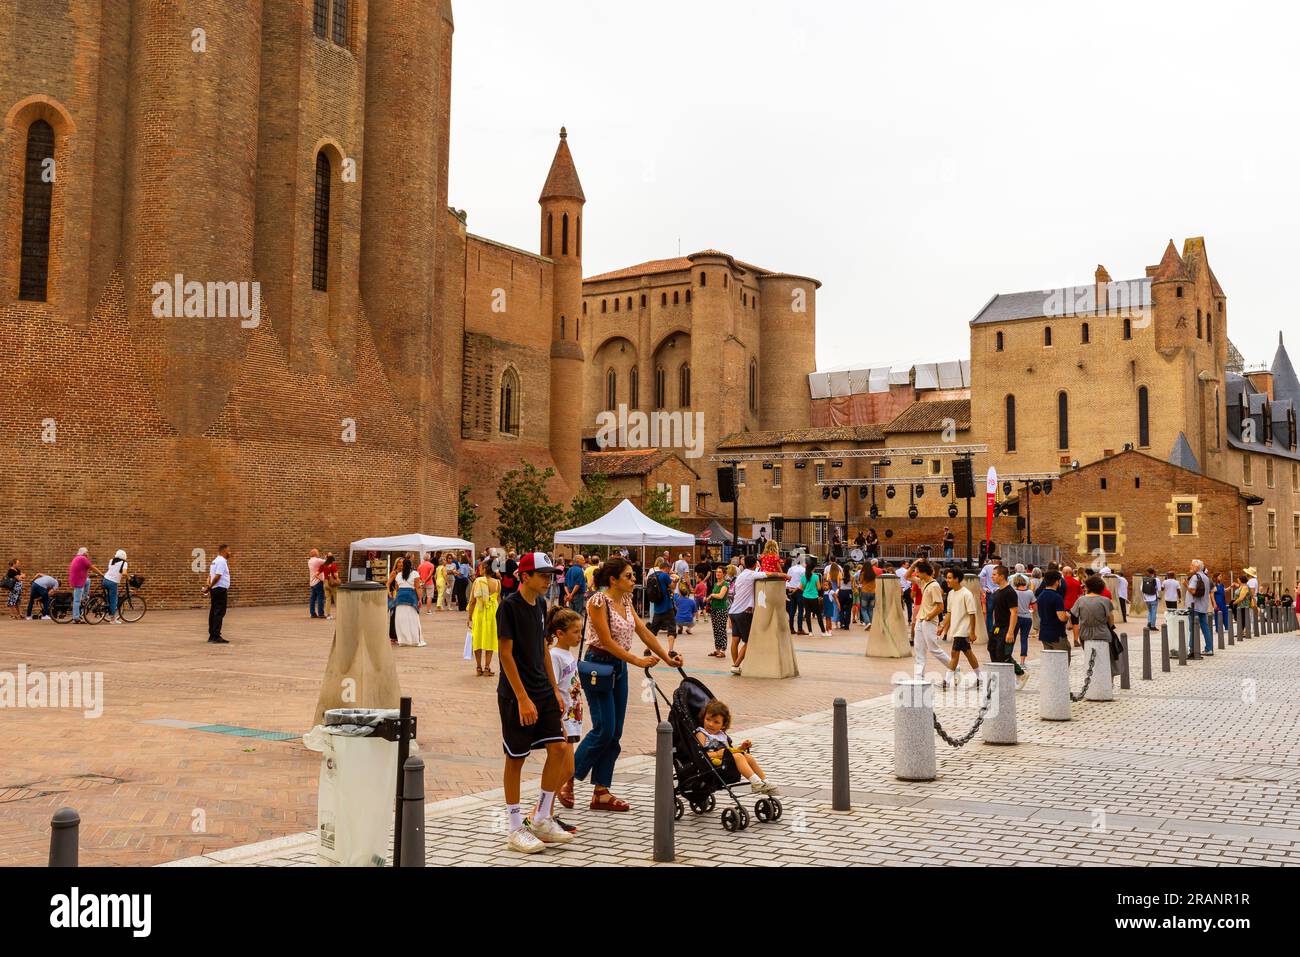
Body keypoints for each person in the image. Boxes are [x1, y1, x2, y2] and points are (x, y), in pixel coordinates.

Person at [573, 556, 682, 812]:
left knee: (615, 732)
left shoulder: (625, 599)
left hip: (618, 668)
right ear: (614, 580)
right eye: (629, 576)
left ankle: (601, 791)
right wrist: (636, 660)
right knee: (604, 729)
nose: (635, 580)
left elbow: (643, 631)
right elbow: (607, 640)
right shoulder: (598, 601)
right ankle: (566, 776)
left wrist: (668, 657)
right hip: (598, 666)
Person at [495, 552, 573, 854]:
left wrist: (553, 689)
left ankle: (541, 817)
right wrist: (522, 697)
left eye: (550, 575)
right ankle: (514, 827)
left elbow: (542, 647)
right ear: (524, 577)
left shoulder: (542, 604)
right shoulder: (509, 607)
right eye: (542, 575)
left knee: (559, 748)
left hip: (542, 690)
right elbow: (505, 654)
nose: (548, 580)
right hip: (517, 694)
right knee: (516, 758)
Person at [545, 605, 584, 831]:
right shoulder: (554, 656)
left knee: (566, 770)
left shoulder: (566, 654)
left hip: (572, 718)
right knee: (567, 770)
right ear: (560, 633)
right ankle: (539, 812)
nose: (580, 636)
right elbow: (554, 689)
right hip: (563, 721)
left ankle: (545, 813)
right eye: (575, 632)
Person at [695, 699, 778, 794]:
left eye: (716, 722)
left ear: (723, 725)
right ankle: (755, 783)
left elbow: (730, 751)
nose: (710, 724)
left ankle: (764, 782)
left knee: (747, 756)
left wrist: (741, 748)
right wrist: (717, 753)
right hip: (711, 763)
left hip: (725, 761)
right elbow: (699, 755)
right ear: (703, 718)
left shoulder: (721, 735)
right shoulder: (702, 734)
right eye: (708, 719)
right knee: (738, 756)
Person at [938, 567, 981, 690]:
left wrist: (972, 632)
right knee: (968, 653)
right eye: (947, 577)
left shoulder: (966, 594)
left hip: (963, 631)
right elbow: (949, 613)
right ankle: (980, 678)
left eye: (950, 578)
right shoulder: (951, 594)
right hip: (956, 629)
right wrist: (942, 626)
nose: (947, 580)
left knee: (954, 654)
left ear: (957, 579)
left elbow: (972, 614)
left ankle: (946, 682)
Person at [912, 561, 954, 679]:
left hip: (928, 620)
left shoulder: (934, 586)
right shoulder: (923, 582)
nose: (916, 575)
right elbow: (907, 576)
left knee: (933, 649)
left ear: (924, 573)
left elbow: (940, 607)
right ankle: (918, 677)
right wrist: (915, 563)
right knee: (919, 649)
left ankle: (954, 667)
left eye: (917, 572)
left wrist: (928, 617)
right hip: (920, 619)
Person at [988, 565, 1028, 688]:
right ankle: (998, 676)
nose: (992, 576)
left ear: (1002, 576)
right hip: (997, 627)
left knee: (1003, 654)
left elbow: (1014, 612)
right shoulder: (997, 592)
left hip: (1007, 627)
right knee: (992, 649)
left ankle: (1020, 674)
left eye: (994, 574)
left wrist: (1010, 632)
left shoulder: (1010, 592)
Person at [1072, 575, 1116, 679]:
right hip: (1102, 632)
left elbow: (1074, 615)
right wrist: (1111, 626)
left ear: (1087, 587)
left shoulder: (1080, 600)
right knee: (1107, 660)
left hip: (1085, 633)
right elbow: (1110, 617)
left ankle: (1093, 680)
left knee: (1090, 659)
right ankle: (1108, 682)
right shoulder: (1105, 600)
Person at [727, 554, 760, 674]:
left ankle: (736, 666)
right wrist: (784, 575)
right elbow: (770, 574)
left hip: (733, 611)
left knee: (735, 640)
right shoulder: (752, 574)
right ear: (755, 564)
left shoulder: (740, 576)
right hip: (744, 612)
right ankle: (736, 665)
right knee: (749, 641)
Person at [467, 560, 500, 673]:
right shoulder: (497, 583)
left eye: (481, 567)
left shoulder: (478, 581)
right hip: (492, 613)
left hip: (480, 612)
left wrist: (469, 617)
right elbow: (498, 600)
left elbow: (472, 601)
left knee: (478, 638)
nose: (479, 569)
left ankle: (478, 667)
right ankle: (487, 667)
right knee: (490, 639)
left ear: (485, 568)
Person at [389, 556, 427, 648]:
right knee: (413, 619)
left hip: (399, 599)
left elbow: (397, 588)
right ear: (411, 566)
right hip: (411, 598)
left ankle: (403, 640)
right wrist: (420, 599)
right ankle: (414, 640)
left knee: (401, 620)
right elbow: (418, 587)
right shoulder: (415, 573)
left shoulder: (398, 575)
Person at [1035, 570, 1072, 660]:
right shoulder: (1057, 597)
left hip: (1044, 632)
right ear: (1057, 582)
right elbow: (1062, 617)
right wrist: (1067, 615)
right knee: (1062, 662)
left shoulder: (1041, 596)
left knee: (1050, 662)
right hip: (1057, 634)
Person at [203, 545, 231, 643]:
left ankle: (212, 635)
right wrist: (209, 586)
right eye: (229, 551)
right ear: (224, 551)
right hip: (220, 589)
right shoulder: (222, 561)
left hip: (215, 589)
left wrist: (208, 586)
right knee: (219, 612)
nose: (230, 553)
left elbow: (210, 576)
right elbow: (218, 576)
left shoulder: (214, 561)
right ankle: (216, 636)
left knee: (213, 612)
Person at [68, 548, 102, 625]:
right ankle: (76, 618)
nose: (88, 554)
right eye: (87, 552)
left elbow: (81, 569)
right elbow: (92, 567)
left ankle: (85, 597)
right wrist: (101, 574)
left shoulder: (77, 558)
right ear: (84, 553)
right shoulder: (83, 558)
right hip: (78, 581)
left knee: (88, 580)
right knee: (77, 600)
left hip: (79, 579)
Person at [1187, 559, 1214, 656]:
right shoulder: (1206, 577)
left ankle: (1192, 649)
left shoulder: (1195, 577)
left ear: (1196, 567)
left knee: (1192, 628)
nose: (1190, 567)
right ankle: (1209, 648)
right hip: (1203, 606)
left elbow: (1193, 591)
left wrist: (1186, 585)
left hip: (1194, 606)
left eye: (1192, 565)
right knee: (1205, 627)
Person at [645, 558, 676, 640]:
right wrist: (676, 580)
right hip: (667, 606)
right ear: (666, 568)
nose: (669, 571)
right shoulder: (665, 575)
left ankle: (647, 648)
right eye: (669, 569)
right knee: (672, 629)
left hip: (657, 607)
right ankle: (671, 650)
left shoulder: (652, 575)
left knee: (653, 631)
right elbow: (672, 587)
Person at [801, 557, 829, 637]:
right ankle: (823, 631)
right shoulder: (816, 577)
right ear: (813, 569)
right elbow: (819, 587)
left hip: (805, 597)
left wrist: (807, 590)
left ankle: (810, 631)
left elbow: (801, 587)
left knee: (808, 614)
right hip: (814, 597)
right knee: (818, 615)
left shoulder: (804, 577)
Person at [706, 566, 730, 658]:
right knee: (716, 630)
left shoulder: (725, 584)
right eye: (717, 572)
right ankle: (717, 650)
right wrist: (709, 599)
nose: (717, 573)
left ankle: (723, 650)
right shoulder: (716, 584)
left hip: (721, 609)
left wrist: (711, 595)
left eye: (720, 572)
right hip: (714, 609)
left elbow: (720, 596)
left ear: (724, 574)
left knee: (721, 630)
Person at [1012, 573, 1036, 668]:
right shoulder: (1030, 592)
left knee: (1012, 638)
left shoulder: (1013, 592)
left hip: (1016, 617)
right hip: (1027, 618)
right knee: (1024, 639)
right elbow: (1035, 607)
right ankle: (1022, 661)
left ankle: (1009, 657)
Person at [102, 549, 129, 624]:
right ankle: (112, 619)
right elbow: (124, 573)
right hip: (113, 582)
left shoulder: (111, 560)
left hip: (105, 580)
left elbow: (111, 570)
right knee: (114, 600)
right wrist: (128, 577)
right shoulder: (124, 563)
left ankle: (106, 607)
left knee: (108, 598)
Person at [786, 555, 809, 635]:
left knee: (792, 610)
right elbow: (804, 581)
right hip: (799, 590)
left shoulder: (791, 569)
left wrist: (788, 588)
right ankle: (799, 628)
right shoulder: (803, 570)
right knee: (800, 610)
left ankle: (791, 628)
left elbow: (787, 579)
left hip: (791, 590)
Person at [859, 560, 877, 628]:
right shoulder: (873, 574)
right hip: (873, 592)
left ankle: (867, 622)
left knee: (863, 609)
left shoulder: (863, 573)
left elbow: (860, 582)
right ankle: (872, 623)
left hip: (865, 592)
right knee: (871, 609)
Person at [308, 548, 325, 619]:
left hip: (312, 582)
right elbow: (328, 562)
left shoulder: (309, 561)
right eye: (317, 552)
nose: (318, 553)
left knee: (312, 599)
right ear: (315, 553)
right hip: (318, 581)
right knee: (320, 598)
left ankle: (312, 613)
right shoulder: (317, 560)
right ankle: (321, 613)